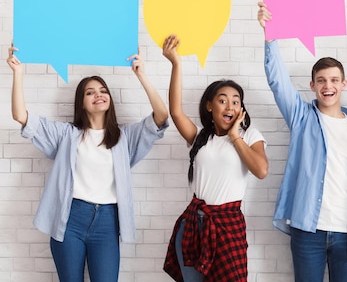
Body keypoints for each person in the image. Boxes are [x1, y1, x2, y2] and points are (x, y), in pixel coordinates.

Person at [7, 44, 169, 282]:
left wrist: (141, 74)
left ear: (110, 100)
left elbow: (162, 117)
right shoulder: (66, 135)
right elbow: (21, 116)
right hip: (70, 218)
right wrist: (18, 73)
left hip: (107, 222)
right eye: (90, 92)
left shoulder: (125, 138)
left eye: (103, 90)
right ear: (81, 102)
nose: (98, 95)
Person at [257, 2, 347, 282]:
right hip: (308, 230)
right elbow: (277, 82)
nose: (328, 86)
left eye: (334, 80)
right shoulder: (302, 117)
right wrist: (269, 37)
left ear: (344, 84)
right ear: (312, 85)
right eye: (322, 80)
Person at [161, 34, 269, 282]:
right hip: (194, 226)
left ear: (241, 109)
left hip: (228, 227)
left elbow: (261, 170)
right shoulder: (200, 138)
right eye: (222, 101)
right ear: (210, 106)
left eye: (235, 101)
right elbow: (176, 112)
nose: (229, 106)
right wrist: (176, 64)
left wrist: (234, 137)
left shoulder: (250, 135)